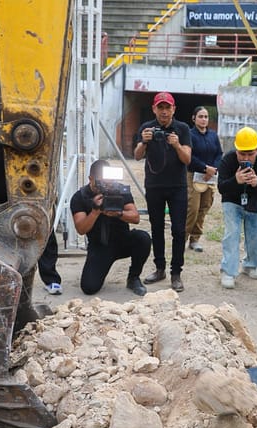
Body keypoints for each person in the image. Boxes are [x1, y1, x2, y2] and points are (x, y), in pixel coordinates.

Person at [134, 92, 192, 292]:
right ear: (154, 109)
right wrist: (144, 141)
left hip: (178, 187)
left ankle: (176, 273)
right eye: (161, 107)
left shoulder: (183, 129)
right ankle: (160, 268)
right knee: (156, 228)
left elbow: (187, 159)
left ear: (174, 109)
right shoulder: (146, 128)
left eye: (168, 107)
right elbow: (137, 155)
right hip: (154, 185)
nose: (164, 111)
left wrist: (176, 145)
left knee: (178, 230)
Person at [70, 160, 151, 296]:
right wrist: (95, 211)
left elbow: (135, 217)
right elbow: (81, 229)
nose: (107, 186)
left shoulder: (119, 190)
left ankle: (133, 277)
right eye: (102, 182)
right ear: (91, 179)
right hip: (100, 246)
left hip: (123, 241)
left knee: (143, 238)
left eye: (109, 181)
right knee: (89, 287)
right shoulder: (80, 197)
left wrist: (119, 213)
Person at [217, 127, 257, 289]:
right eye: (242, 154)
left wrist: (256, 183)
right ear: (236, 150)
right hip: (231, 201)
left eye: (250, 154)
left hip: (256, 201)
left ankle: (250, 264)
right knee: (232, 234)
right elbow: (221, 187)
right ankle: (228, 271)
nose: (246, 158)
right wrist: (236, 180)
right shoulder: (227, 160)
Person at [186, 106, 223, 253]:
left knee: (205, 206)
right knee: (192, 209)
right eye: (200, 116)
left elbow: (219, 154)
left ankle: (195, 239)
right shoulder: (189, 135)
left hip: (210, 176)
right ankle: (181, 237)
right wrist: (204, 168)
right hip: (194, 175)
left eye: (206, 117)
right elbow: (189, 156)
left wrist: (213, 169)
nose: (203, 119)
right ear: (194, 118)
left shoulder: (213, 135)